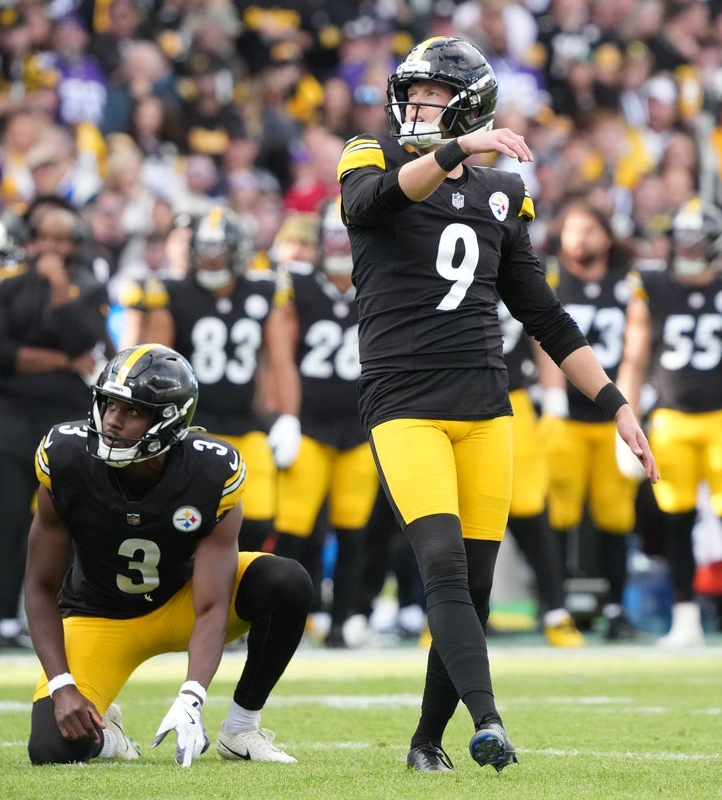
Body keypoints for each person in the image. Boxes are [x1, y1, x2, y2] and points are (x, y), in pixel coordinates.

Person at [336, 36, 658, 773]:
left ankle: (426, 742)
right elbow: (370, 204)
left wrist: (615, 403)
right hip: (404, 399)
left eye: (434, 96)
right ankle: (490, 720)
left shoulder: (503, 193)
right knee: (443, 567)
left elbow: (544, 315)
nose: (418, 106)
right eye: (412, 93)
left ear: (469, 105)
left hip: (485, 401)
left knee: (474, 587)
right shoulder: (369, 154)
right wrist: (458, 148)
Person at [24, 343, 311, 766]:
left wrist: (192, 696)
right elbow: (39, 586)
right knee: (52, 748)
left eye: (132, 411)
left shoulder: (211, 472)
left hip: (184, 602)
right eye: (110, 404)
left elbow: (212, 604)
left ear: (169, 420)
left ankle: (241, 728)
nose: (113, 420)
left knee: (286, 581)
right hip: (97, 615)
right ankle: (111, 737)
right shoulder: (66, 458)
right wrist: (62, 684)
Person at [0, 197, 114, 657]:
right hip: (13, 418)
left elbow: (86, 340)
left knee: (71, 526)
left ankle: (71, 626)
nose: (52, 247)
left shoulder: (89, 287)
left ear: (76, 244)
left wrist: (60, 288)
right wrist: (64, 362)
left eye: (62, 239)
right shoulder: (7, 287)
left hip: (67, 422)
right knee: (4, 525)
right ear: (30, 241)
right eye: (45, 237)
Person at [615, 199, 722, 650]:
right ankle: (685, 617)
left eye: (696, 241)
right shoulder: (651, 285)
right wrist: (624, 421)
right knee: (677, 519)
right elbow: (634, 357)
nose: (687, 249)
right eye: (682, 240)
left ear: (716, 244)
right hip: (670, 420)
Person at [264, 201, 381, 649]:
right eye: (331, 237)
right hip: (310, 425)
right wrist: (287, 416)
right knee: (293, 528)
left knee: (354, 529)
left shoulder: (377, 279)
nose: (337, 246)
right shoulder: (295, 285)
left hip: (360, 425)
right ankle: (276, 619)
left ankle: (343, 621)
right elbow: (280, 355)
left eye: (344, 236)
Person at [534, 201, 645, 642]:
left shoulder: (628, 283)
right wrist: (553, 400)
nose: (580, 239)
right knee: (560, 511)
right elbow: (541, 338)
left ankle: (616, 609)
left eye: (589, 229)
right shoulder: (551, 277)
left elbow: (635, 351)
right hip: (567, 414)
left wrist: (628, 407)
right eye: (573, 230)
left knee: (615, 515)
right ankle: (556, 604)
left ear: (607, 235)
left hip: (609, 417)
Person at [143, 206, 280, 553]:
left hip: (247, 421)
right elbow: (155, 363)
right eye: (204, 249)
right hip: (192, 424)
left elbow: (277, 361)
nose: (211, 259)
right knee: (186, 517)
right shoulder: (172, 291)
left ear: (238, 252)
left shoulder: (264, 290)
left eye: (219, 251)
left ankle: (240, 581)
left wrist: (284, 416)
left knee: (259, 520)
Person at [498, 303, 584, 648]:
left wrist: (554, 403)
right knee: (446, 516)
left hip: (510, 399)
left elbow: (544, 327)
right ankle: (442, 616)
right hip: (446, 400)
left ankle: (556, 611)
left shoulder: (507, 273)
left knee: (529, 508)